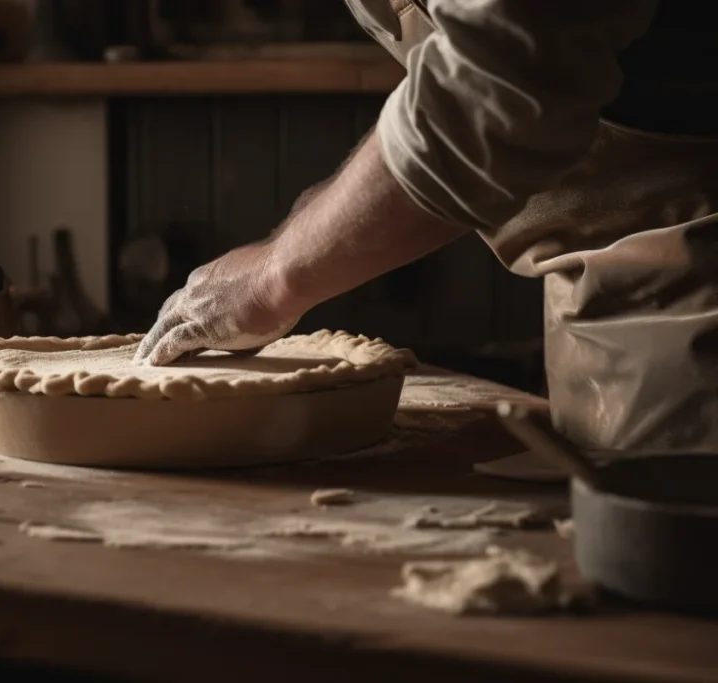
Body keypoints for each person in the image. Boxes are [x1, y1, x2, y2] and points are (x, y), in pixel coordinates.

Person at [135, 0, 718, 454]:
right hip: (603, 298)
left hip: (697, 285)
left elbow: (500, 83)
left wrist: (272, 277)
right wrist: (313, 220)